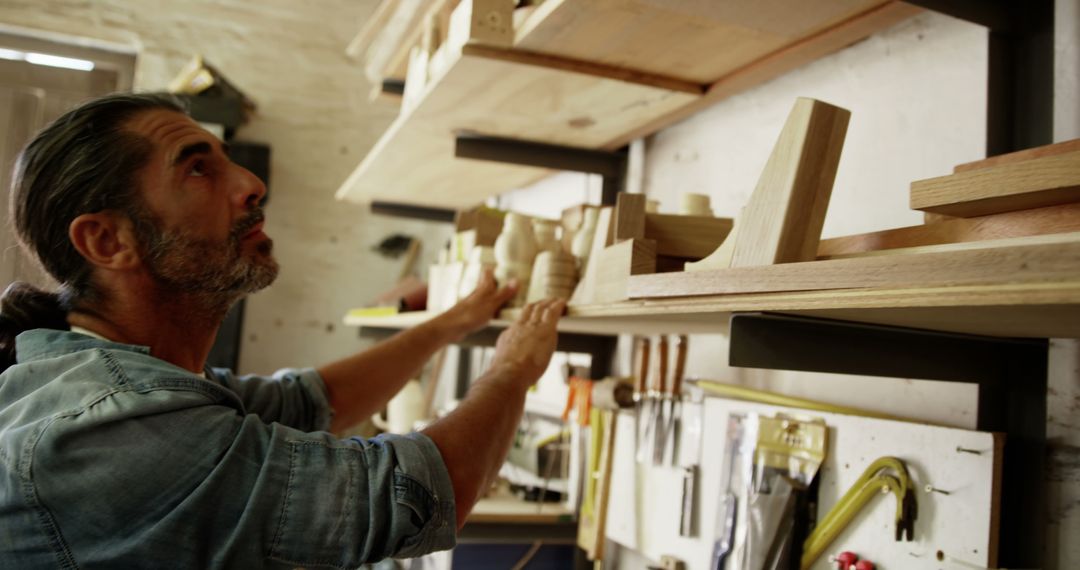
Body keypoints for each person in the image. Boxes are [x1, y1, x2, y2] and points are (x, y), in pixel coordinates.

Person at [0, 92, 566, 568]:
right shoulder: (108, 428)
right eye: (198, 168)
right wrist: (514, 369)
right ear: (107, 241)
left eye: (226, 160)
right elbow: (411, 496)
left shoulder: (125, 378)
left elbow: (310, 401)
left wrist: (453, 322)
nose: (251, 184)